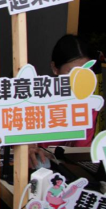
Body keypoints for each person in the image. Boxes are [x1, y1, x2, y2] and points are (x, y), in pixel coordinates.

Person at [28, 34, 102, 168]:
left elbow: (81, 152)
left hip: (67, 172)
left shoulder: (89, 105)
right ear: (55, 68)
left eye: (86, 71)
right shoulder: (33, 101)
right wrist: (25, 148)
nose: (78, 79)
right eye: (71, 72)